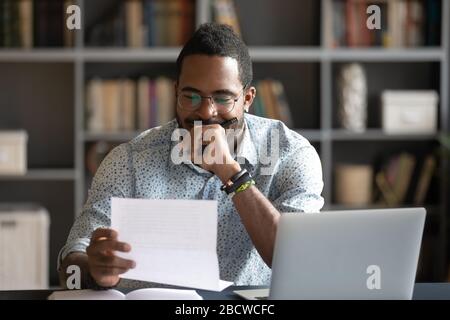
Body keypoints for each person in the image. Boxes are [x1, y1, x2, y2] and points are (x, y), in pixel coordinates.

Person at [58, 23, 324, 289]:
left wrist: (230, 172)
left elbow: (295, 261)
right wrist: (94, 271)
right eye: (191, 96)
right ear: (176, 92)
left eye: (223, 98)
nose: (207, 112)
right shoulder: (129, 161)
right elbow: (69, 268)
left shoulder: (290, 155)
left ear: (247, 99)